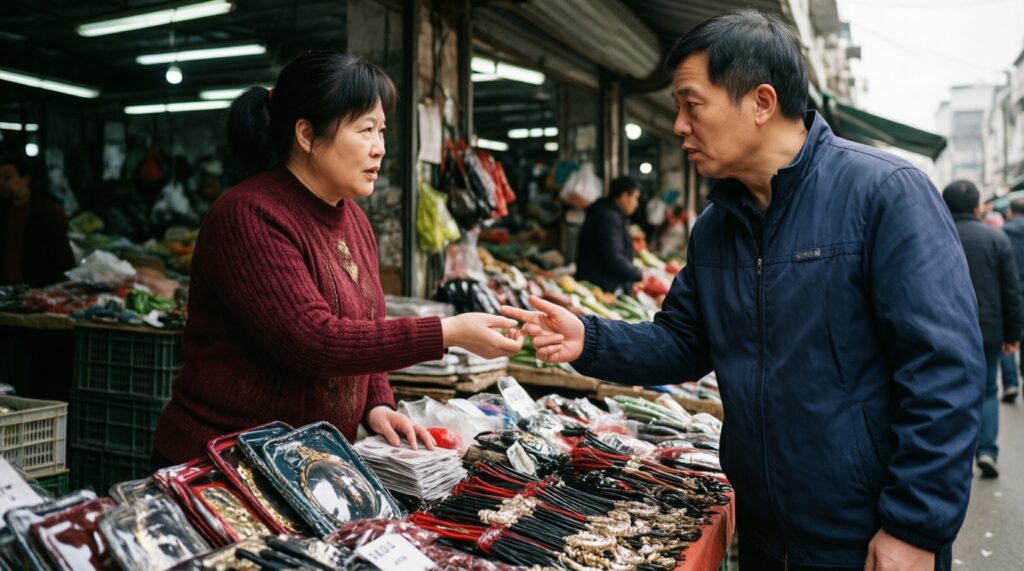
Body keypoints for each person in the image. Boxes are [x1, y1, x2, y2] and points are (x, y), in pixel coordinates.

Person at [502, 9, 982, 571]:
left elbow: (944, 371)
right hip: (764, 529)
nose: (679, 124)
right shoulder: (717, 225)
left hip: (865, 532)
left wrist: (913, 527)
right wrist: (589, 338)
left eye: (692, 104)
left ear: (761, 102)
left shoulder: (885, 194)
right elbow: (683, 341)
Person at [152, 52, 522, 467]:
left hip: (307, 463)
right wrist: (447, 332)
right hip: (224, 463)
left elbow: (365, 329)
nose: (379, 148)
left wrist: (377, 404)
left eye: (382, 131)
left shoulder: (356, 222)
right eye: (365, 130)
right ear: (307, 135)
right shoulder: (249, 215)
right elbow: (314, 340)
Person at [943, 180, 1022, 479]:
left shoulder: (935, 235)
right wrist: (1012, 335)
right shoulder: (995, 238)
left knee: (947, 394)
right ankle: (987, 451)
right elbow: (1010, 291)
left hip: (945, 329)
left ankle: (953, 463)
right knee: (989, 390)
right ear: (978, 207)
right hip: (989, 329)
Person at [0, 154, 75, 286]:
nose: (1, 182)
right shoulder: (4, 210)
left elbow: (63, 257)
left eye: (7, 177)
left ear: (26, 179)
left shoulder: (48, 211)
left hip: (36, 287)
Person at [574, 175, 644, 293]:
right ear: (624, 196)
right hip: (600, 286)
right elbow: (613, 257)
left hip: (601, 282)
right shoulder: (608, 217)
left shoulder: (610, 214)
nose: (636, 204)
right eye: (635, 198)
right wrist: (638, 274)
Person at [998, 198, 1024, 403]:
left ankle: (1010, 383)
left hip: (1010, 290)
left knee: (1009, 337)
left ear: (1010, 212)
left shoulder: (1002, 233)